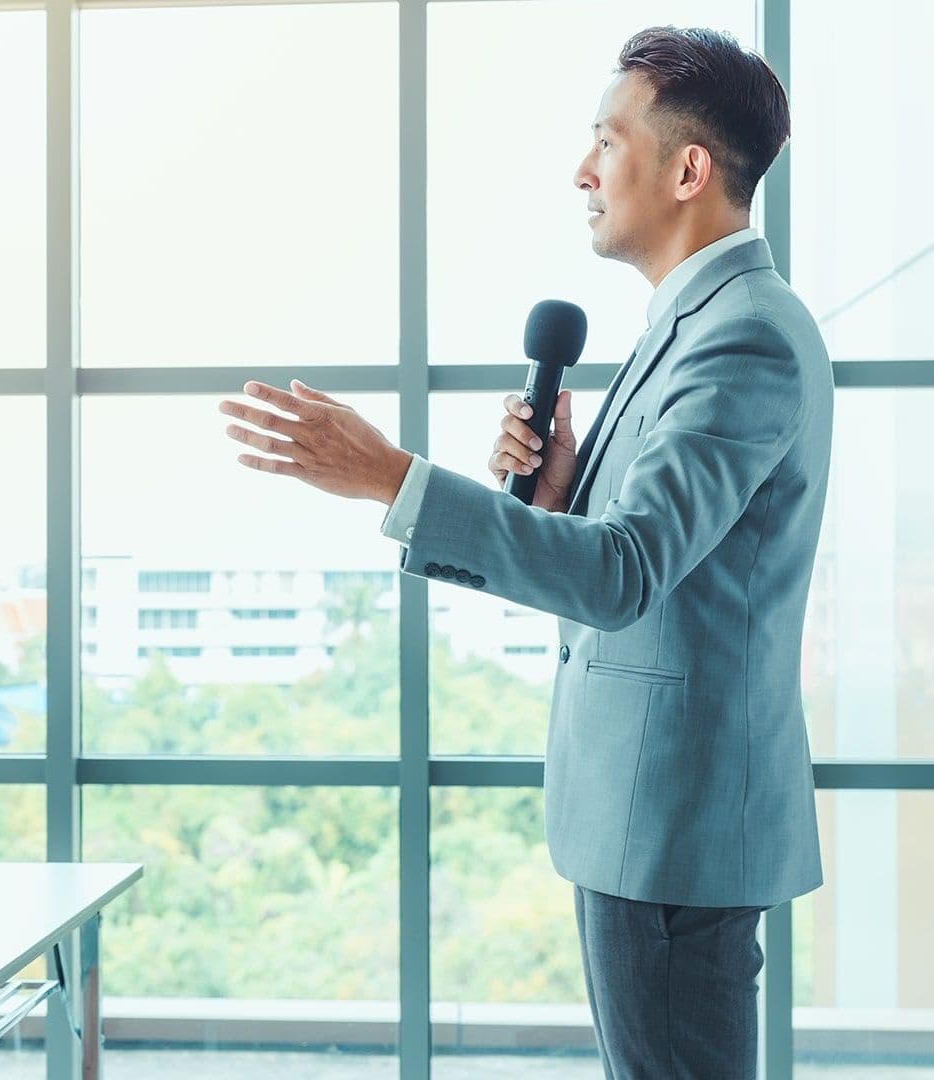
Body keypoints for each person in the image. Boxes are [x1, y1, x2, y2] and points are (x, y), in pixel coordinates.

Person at [220, 27, 827, 1078]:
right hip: (651, 827)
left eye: (607, 139)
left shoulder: (744, 333)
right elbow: (638, 557)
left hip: (675, 833)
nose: (582, 171)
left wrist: (388, 475)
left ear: (688, 169)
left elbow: (623, 575)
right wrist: (565, 491)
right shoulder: (690, 324)